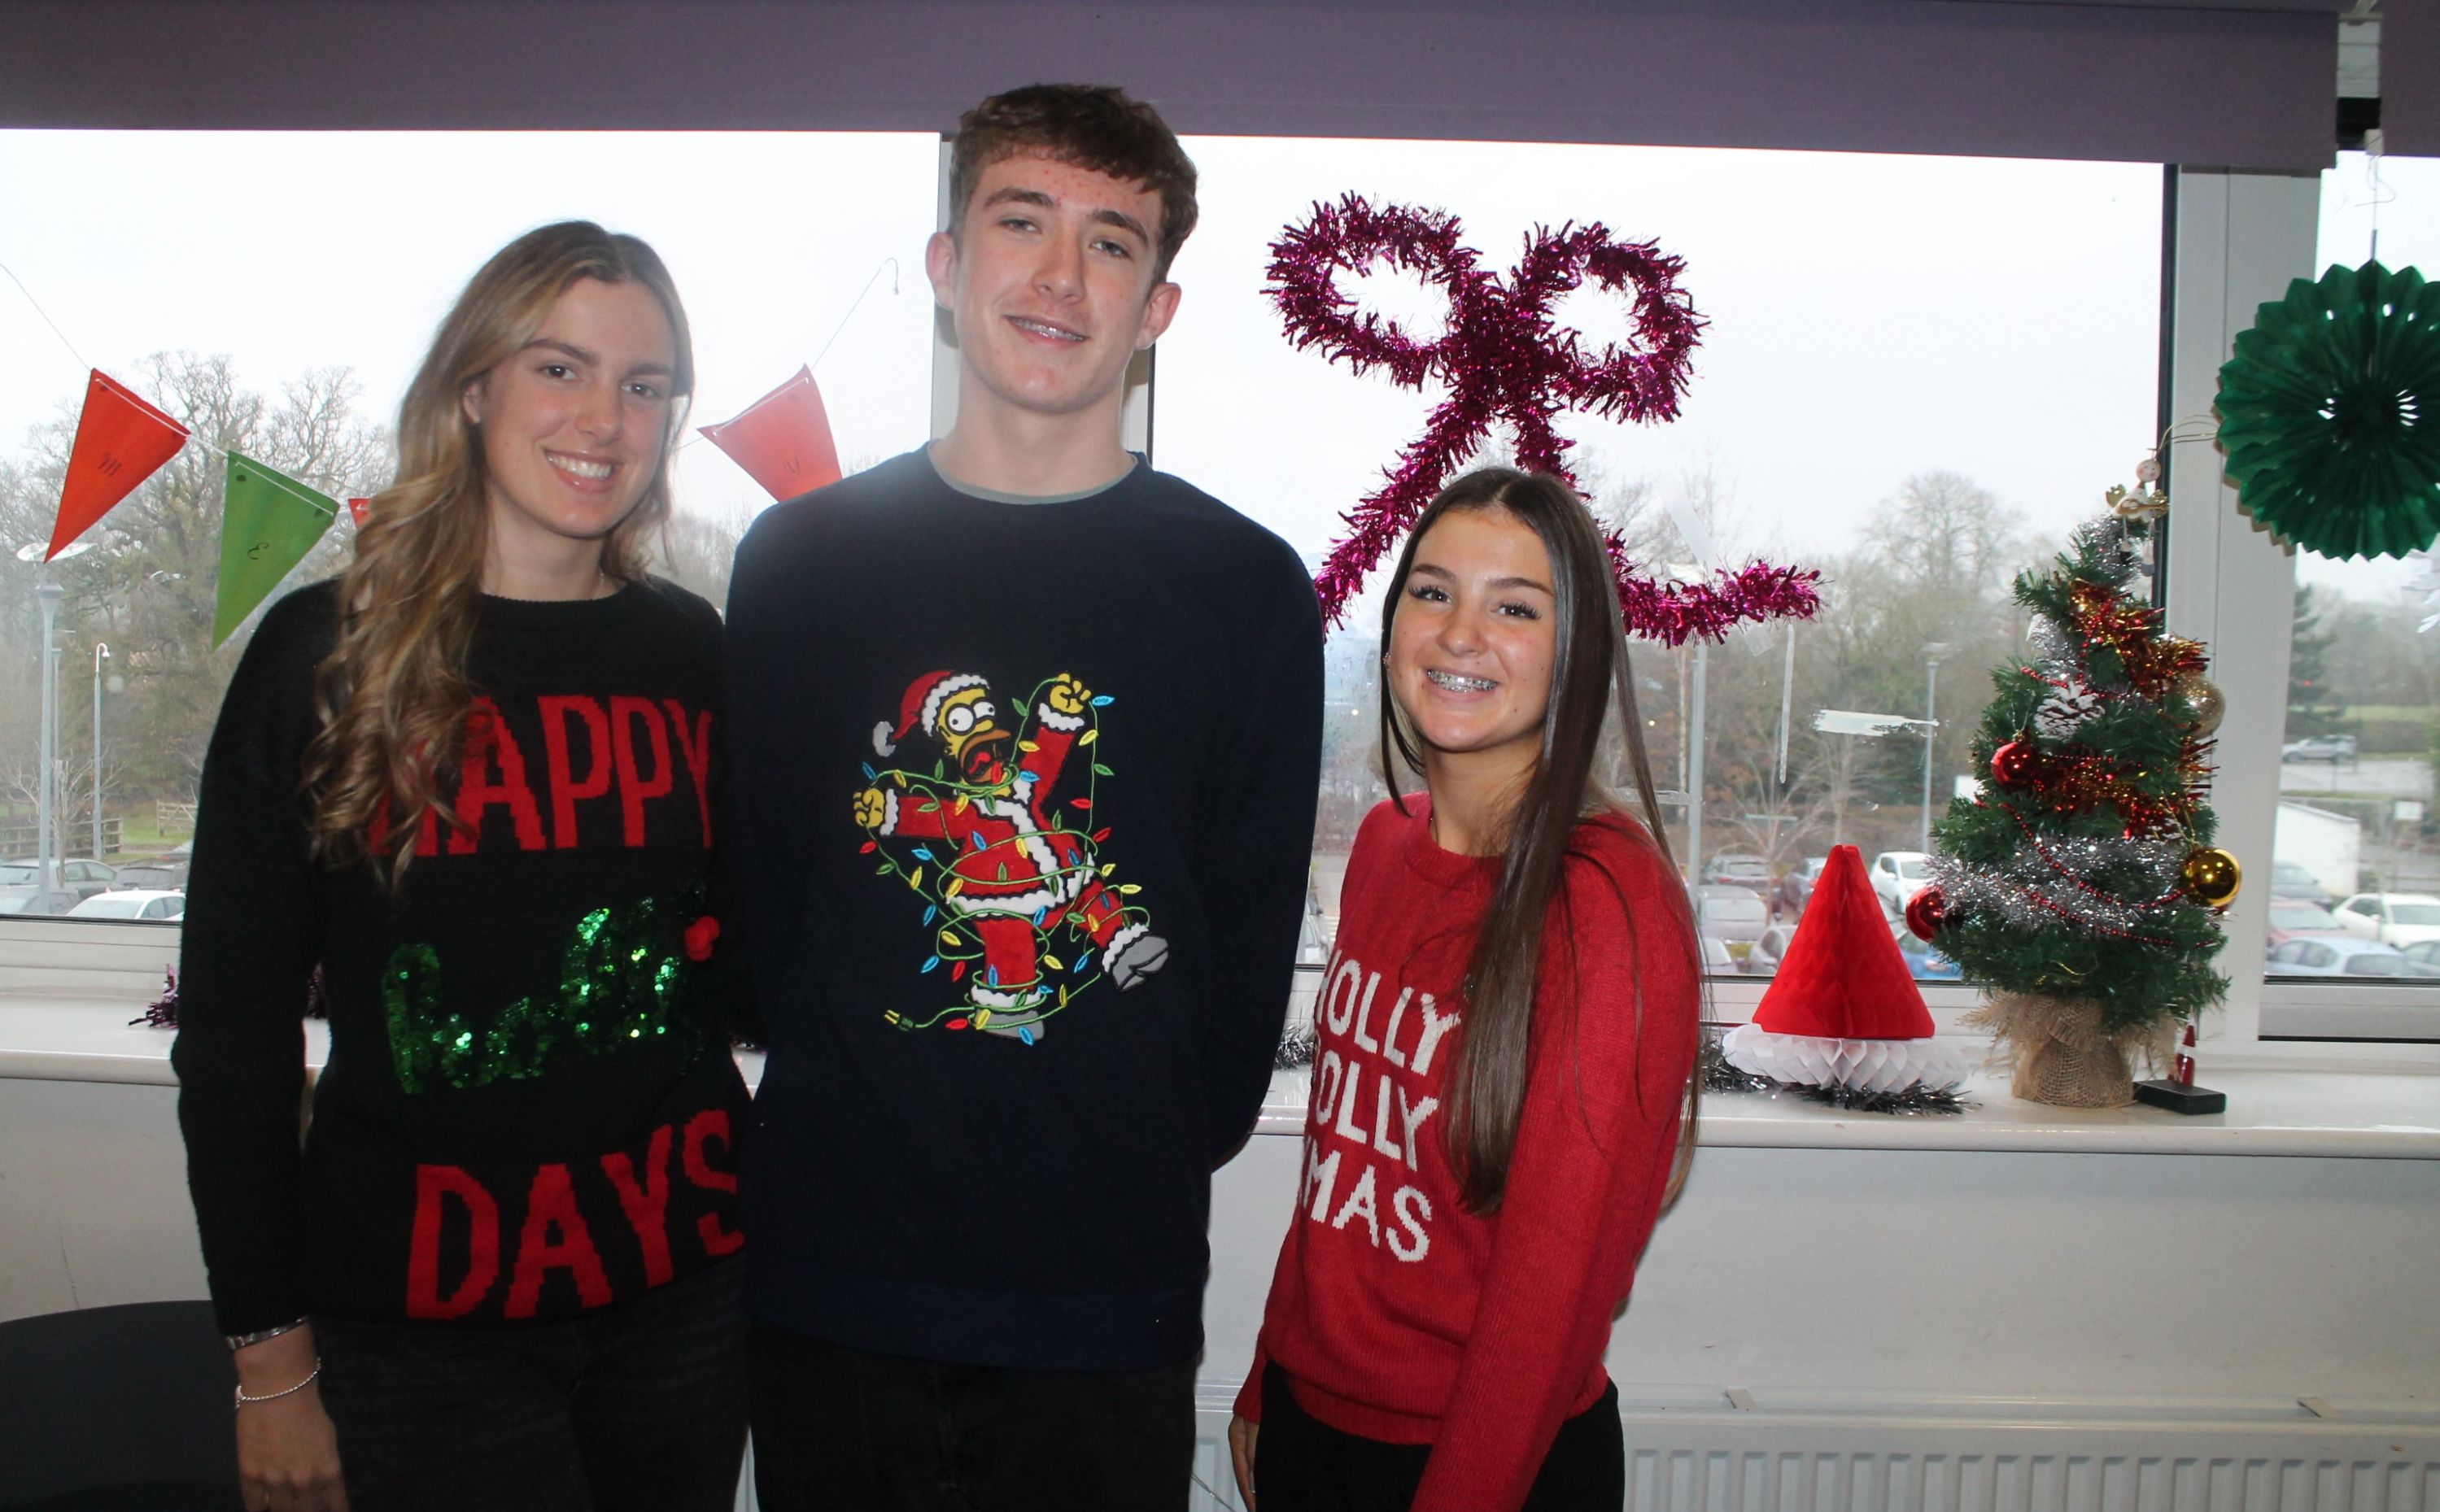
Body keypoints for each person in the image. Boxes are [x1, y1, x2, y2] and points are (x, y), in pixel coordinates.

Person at [725, 83, 1324, 1509]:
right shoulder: (799, 562)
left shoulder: (1242, 587)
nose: (1061, 275)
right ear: (945, 267)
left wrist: (1121, 1136)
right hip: (829, 1278)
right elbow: (753, 908)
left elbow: (1242, 948)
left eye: (1111, 242)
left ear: (1157, 305)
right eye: (1020, 222)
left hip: (1099, 1296)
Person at [172, 221, 752, 1512]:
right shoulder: (325, 655)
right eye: (559, 368)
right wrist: (269, 1361)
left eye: (644, 385)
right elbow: (233, 1038)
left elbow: (742, 962)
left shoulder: (689, 651)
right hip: (420, 1334)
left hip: (686, 1301)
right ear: (473, 387)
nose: (603, 417)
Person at [1228, 468, 1704, 1512]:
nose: (1458, 634)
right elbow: (1337, 1171)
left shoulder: (1607, 906)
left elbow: (1556, 1287)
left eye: (1514, 608)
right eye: (1432, 592)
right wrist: (1269, 1372)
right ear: (1391, 623)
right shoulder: (1381, 848)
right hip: (1317, 1425)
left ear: (1574, 651)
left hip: (1487, 1458)